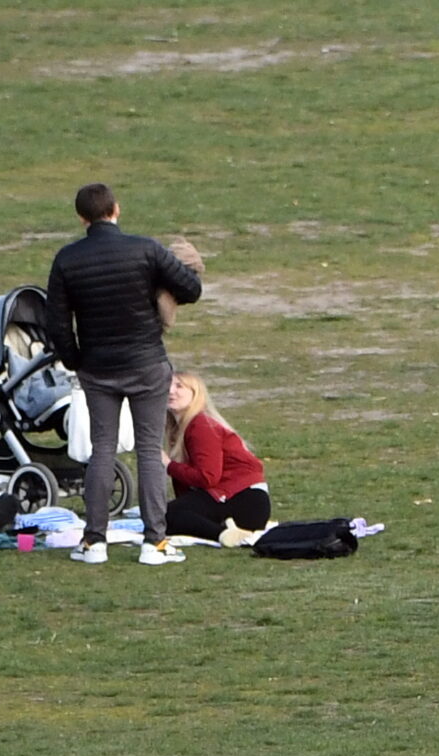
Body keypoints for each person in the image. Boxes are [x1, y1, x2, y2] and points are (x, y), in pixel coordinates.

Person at [45, 181, 203, 565]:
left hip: (97, 367)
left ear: (82, 217)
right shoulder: (146, 249)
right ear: (116, 209)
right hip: (147, 362)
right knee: (149, 450)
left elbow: (57, 322)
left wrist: (75, 359)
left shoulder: (67, 260)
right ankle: (155, 542)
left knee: (102, 450)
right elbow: (192, 288)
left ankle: (94, 542)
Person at [163, 373, 271, 542]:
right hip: (234, 498)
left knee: (166, 515)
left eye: (179, 386)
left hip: (245, 500)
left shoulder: (201, 425)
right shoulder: (181, 428)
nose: (170, 391)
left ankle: (223, 535)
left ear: (195, 393)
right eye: (167, 385)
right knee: (163, 514)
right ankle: (224, 529)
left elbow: (208, 477)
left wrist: (169, 465)